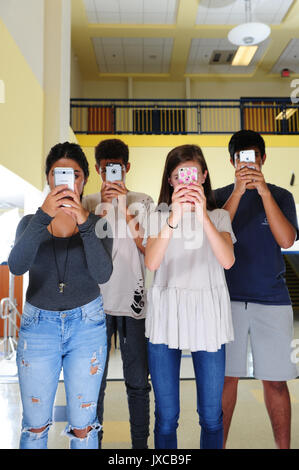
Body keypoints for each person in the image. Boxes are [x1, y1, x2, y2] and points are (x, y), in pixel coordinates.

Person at [8, 142, 113, 449]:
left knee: (84, 428)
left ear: (83, 181)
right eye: (59, 175)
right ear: (48, 179)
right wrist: (43, 216)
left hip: (87, 326)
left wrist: (83, 222)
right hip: (38, 327)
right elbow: (16, 266)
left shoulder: (99, 225)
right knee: (35, 428)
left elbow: (102, 274)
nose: (68, 182)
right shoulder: (30, 223)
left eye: (75, 175)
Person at [143, 144, 236, 449]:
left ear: (204, 176)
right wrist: (175, 215)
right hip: (166, 316)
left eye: (193, 174)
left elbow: (227, 260)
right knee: (167, 416)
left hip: (208, 317)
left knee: (211, 416)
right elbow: (152, 262)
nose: (186, 181)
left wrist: (202, 216)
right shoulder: (158, 217)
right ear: (170, 180)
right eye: (179, 175)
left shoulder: (220, 217)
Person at [213, 130, 299, 449]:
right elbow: (215, 236)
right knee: (225, 380)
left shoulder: (281, 195)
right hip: (227, 300)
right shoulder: (220, 195)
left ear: (263, 159)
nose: (248, 163)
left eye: (253, 157)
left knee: (276, 381)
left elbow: (286, 240)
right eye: (241, 158)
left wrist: (263, 193)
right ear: (232, 162)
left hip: (273, 301)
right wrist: (238, 192)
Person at [82, 138, 153, 449]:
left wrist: (124, 209)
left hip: (134, 303)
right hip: (94, 302)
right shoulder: (86, 202)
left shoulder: (144, 200)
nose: (111, 173)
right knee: (93, 384)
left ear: (126, 168)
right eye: (105, 168)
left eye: (117, 168)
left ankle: (140, 448)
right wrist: (101, 209)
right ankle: (92, 443)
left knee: (137, 383)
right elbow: (83, 250)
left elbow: (148, 247)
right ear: (98, 169)